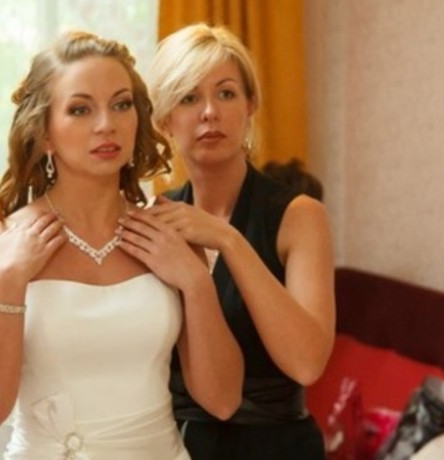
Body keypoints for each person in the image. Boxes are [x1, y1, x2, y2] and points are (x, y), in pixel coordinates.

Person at [0, 30, 243, 459]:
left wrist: (196, 281)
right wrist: (11, 279)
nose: (107, 124)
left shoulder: (170, 235)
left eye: (121, 104)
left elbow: (223, 400)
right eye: (80, 109)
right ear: (45, 133)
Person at [125, 23, 336, 459]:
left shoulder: (299, 216)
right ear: (165, 120)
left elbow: (307, 363)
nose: (209, 112)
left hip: (279, 449)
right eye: (189, 98)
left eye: (225, 93)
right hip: (176, 446)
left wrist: (228, 239)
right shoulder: (155, 220)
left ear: (250, 104)